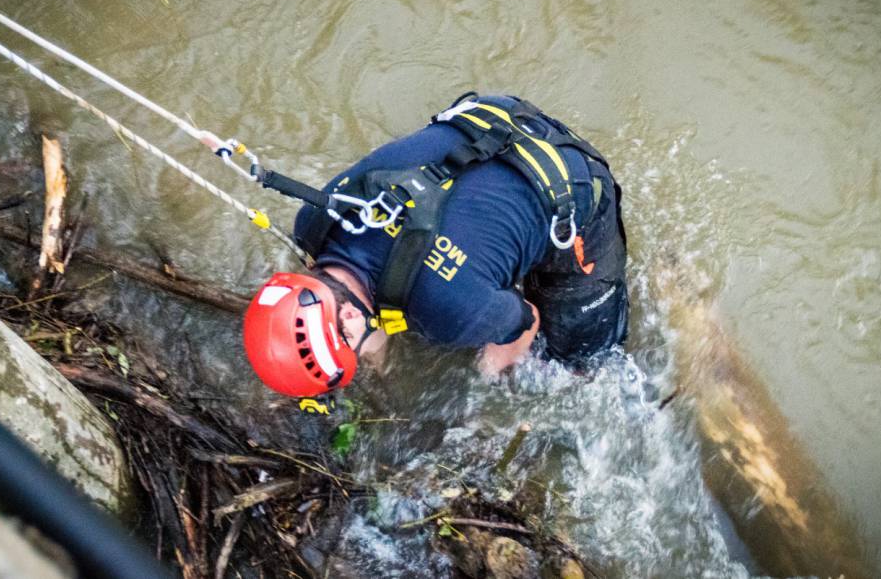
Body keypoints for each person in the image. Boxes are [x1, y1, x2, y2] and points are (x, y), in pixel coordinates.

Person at [242, 93, 628, 398]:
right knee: (462, 277)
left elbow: (527, 321)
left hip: (566, 178)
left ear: (349, 319)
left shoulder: (453, 314)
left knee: (582, 361)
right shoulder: (313, 221)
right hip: (489, 118)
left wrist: (493, 372)